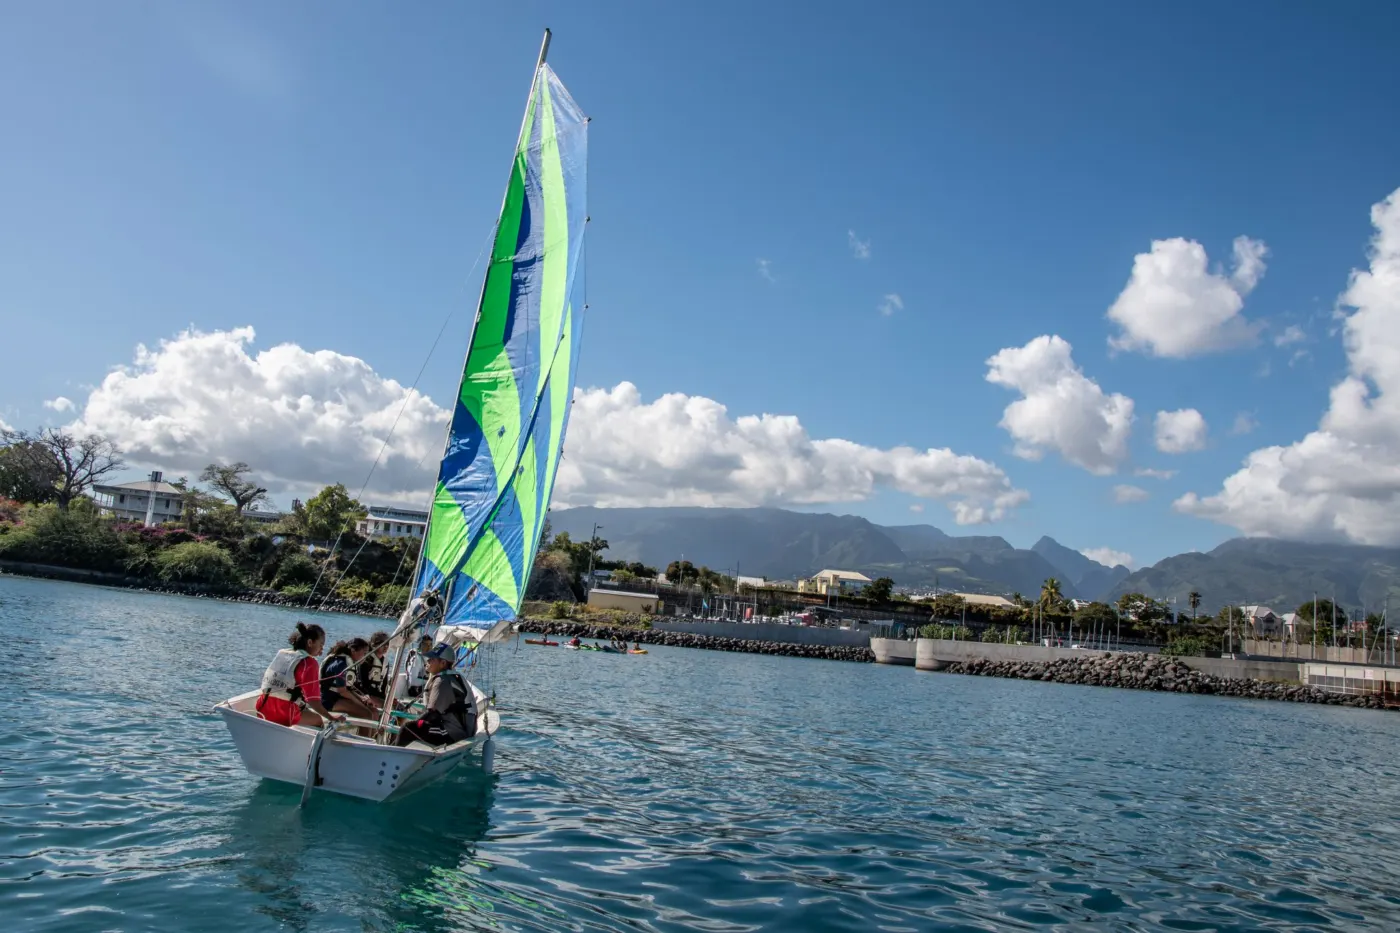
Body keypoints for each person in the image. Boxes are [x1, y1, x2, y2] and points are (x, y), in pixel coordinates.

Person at [256, 622, 345, 728]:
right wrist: (331, 718)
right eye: (321, 645)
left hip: (262, 707)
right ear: (310, 642)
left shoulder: (283, 653)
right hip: (285, 713)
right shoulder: (309, 663)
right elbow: (313, 701)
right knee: (319, 720)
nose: (322, 650)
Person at [394, 643, 478, 747]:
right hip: (460, 728)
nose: (428, 661)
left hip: (455, 732)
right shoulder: (449, 677)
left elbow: (433, 714)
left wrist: (416, 723)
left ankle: (391, 756)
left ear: (442, 663)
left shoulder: (442, 681)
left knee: (407, 728)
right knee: (415, 726)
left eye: (432, 659)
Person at [319, 638, 381, 720]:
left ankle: (373, 733)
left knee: (374, 711)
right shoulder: (341, 664)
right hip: (329, 700)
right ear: (353, 650)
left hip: (339, 698)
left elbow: (349, 689)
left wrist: (363, 699)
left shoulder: (351, 664)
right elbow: (343, 691)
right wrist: (360, 703)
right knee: (367, 714)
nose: (366, 657)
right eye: (364, 653)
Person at [358, 631, 390, 702]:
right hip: (363, 693)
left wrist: (385, 697)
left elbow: (384, 684)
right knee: (386, 705)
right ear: (373, 645)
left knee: (398, 706)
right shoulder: (366, 660)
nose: (386, 646)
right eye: (382, 643)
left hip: (377, 693)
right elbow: (364, 684)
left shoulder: (386, 662)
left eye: (387, 643)